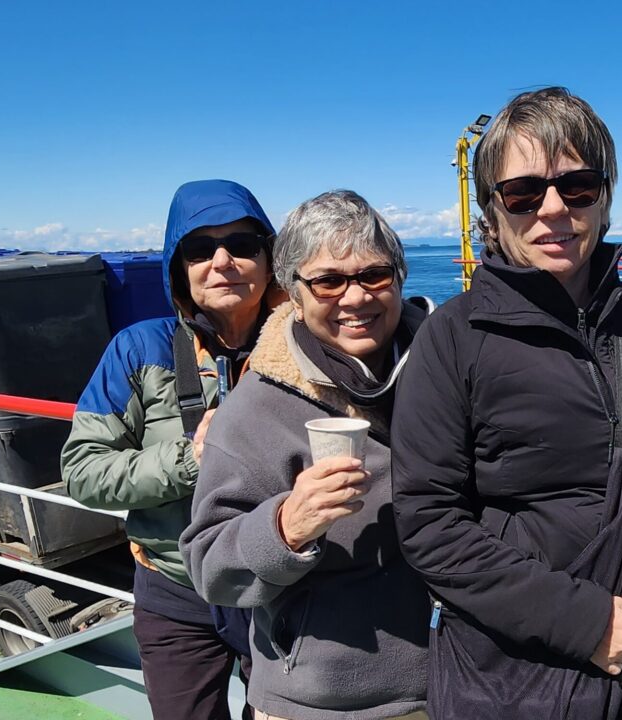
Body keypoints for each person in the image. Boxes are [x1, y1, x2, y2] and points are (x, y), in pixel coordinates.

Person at [391, 87, 622, 719]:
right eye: (523, 193)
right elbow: (429, 524)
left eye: (578, 187)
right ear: (492, 209)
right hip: (514, 680)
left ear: (605, 197)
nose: (553, 211)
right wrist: (582, 620)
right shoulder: (454, 339)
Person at [181, 190, 431, 720]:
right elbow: (209, 567)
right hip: (325, 702)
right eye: (328, 281)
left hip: (460, 681)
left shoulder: (448, 373)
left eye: (374, 275)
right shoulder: (256, 407)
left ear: (400, 279)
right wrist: (284, 528)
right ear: (294, 294)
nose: (355, 297)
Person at [62, 179, 280, 720]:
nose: (223, 261)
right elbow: (82, 472)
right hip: (176, 591)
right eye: (200, 250)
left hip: (282, 587)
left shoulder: (308, 348)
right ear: (178, 266)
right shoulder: (138, 349)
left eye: (243, 244)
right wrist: (193, 457)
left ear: (270, 257)